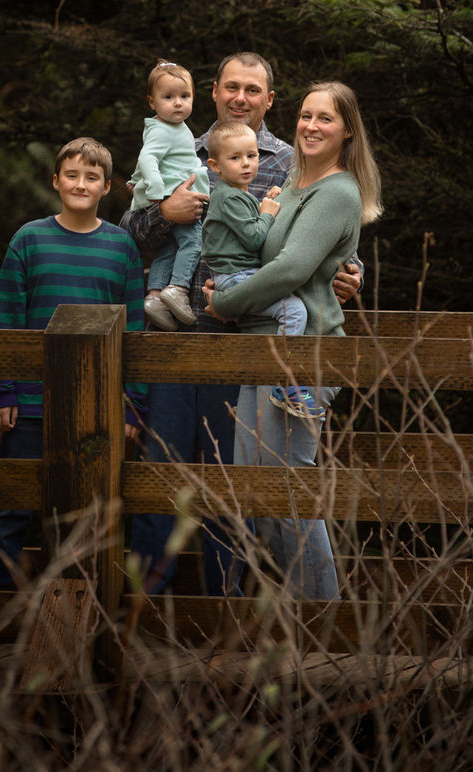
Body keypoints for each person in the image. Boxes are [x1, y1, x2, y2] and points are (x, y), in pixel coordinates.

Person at [125, 52, 363, 595]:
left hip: (251, 339)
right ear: (213, 91)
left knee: (241, 488)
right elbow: (129, 232)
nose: (240, 97)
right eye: (231, 87)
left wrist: (353, 276)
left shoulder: (291, 160)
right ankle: (146, 610)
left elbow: (325, 240)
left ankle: (227, 606)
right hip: (177, 335)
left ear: (270, 99)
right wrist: (165, 215)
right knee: (164, 475)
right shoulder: (180, 142)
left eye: (252, 90)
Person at [207, 80, 382, 600]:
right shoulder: (288, 179)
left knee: (286, 491)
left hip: (307, 356)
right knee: (254, 489)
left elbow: (293, 268)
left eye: (325, 118)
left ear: (347, 130)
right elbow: (262, 250)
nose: (310, 126)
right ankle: (299, 611)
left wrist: (226, 302)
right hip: (264, 349)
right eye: (306, 115)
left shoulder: (338, 190)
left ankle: (325, 622)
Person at [0, 137, 146, 590]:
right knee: (13, 506)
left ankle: (78, 610)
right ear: (55, 180)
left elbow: (135, 333)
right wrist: (2, 389)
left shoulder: (122, 247)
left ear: (108, 187)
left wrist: (130, 406)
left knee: (89, 511)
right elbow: (6, 317)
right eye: (71, 175)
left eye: (91, 177)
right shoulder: (29, 239)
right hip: (29, 402)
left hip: (98, 407)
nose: (80, 184)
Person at [202, 119, 323, 420]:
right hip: (236, 278)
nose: (246, 164)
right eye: (235, 158)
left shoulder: (236, 194)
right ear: (214, 166)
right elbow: (255, 237)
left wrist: (264, 204)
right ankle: (286, 384)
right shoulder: (228, 196)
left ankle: (273, 386)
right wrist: (268, 213)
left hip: (238, 275)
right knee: (294, 311)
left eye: (252, 156)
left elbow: (247, 225)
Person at [129, 60, 211, 331]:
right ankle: (177, 288)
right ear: (152, 102)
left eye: (184, 96)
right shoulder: (165, 129)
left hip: (171, 193)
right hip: (174, 197)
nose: (178, 103)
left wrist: (136, 180)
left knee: (169, 248)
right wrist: (152, 189)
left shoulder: (171, 128)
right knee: (193, 243)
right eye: (169, 97)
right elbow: (148, 156)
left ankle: (154, 296)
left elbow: (159, 159)